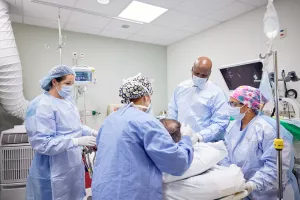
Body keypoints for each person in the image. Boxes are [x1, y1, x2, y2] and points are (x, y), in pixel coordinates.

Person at [92, 73, 194, 200]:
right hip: (131, 194)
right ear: (146, 97)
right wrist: (186, 139)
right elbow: (177, 163)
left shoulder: (110, 119)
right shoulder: (147, 123)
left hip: (103, 192)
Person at [25, 65, 98, 200]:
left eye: (72, 83)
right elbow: (43, 143)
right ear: (54, 81)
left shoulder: (68, 101)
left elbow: (76, 127)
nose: (70, 87)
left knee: (73, 194)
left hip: (72, 163)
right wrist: (75, 141)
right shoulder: (41, 105)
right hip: (53, 167)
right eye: (67, 83)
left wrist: (92, 132)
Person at [222, 85, 300, 200]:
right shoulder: (233, 125)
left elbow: (278, 167)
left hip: (271, 193)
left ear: (247, 106)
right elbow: (227, 152)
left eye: (234, 104)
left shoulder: (269, 129)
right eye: (229, 103)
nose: (230, 107)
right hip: (244, 189)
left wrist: (252, 185)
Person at [168, 56, 229, 143]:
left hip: (205, 142)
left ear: (209, 73)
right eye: (196, 73)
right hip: (180, 139)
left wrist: (199, 137)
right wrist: (172, 131)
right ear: (192, 69)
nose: (199, 77)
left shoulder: (217, 93)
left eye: (204, 75)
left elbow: (221, 122)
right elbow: (172, 111)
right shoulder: (181, 87)